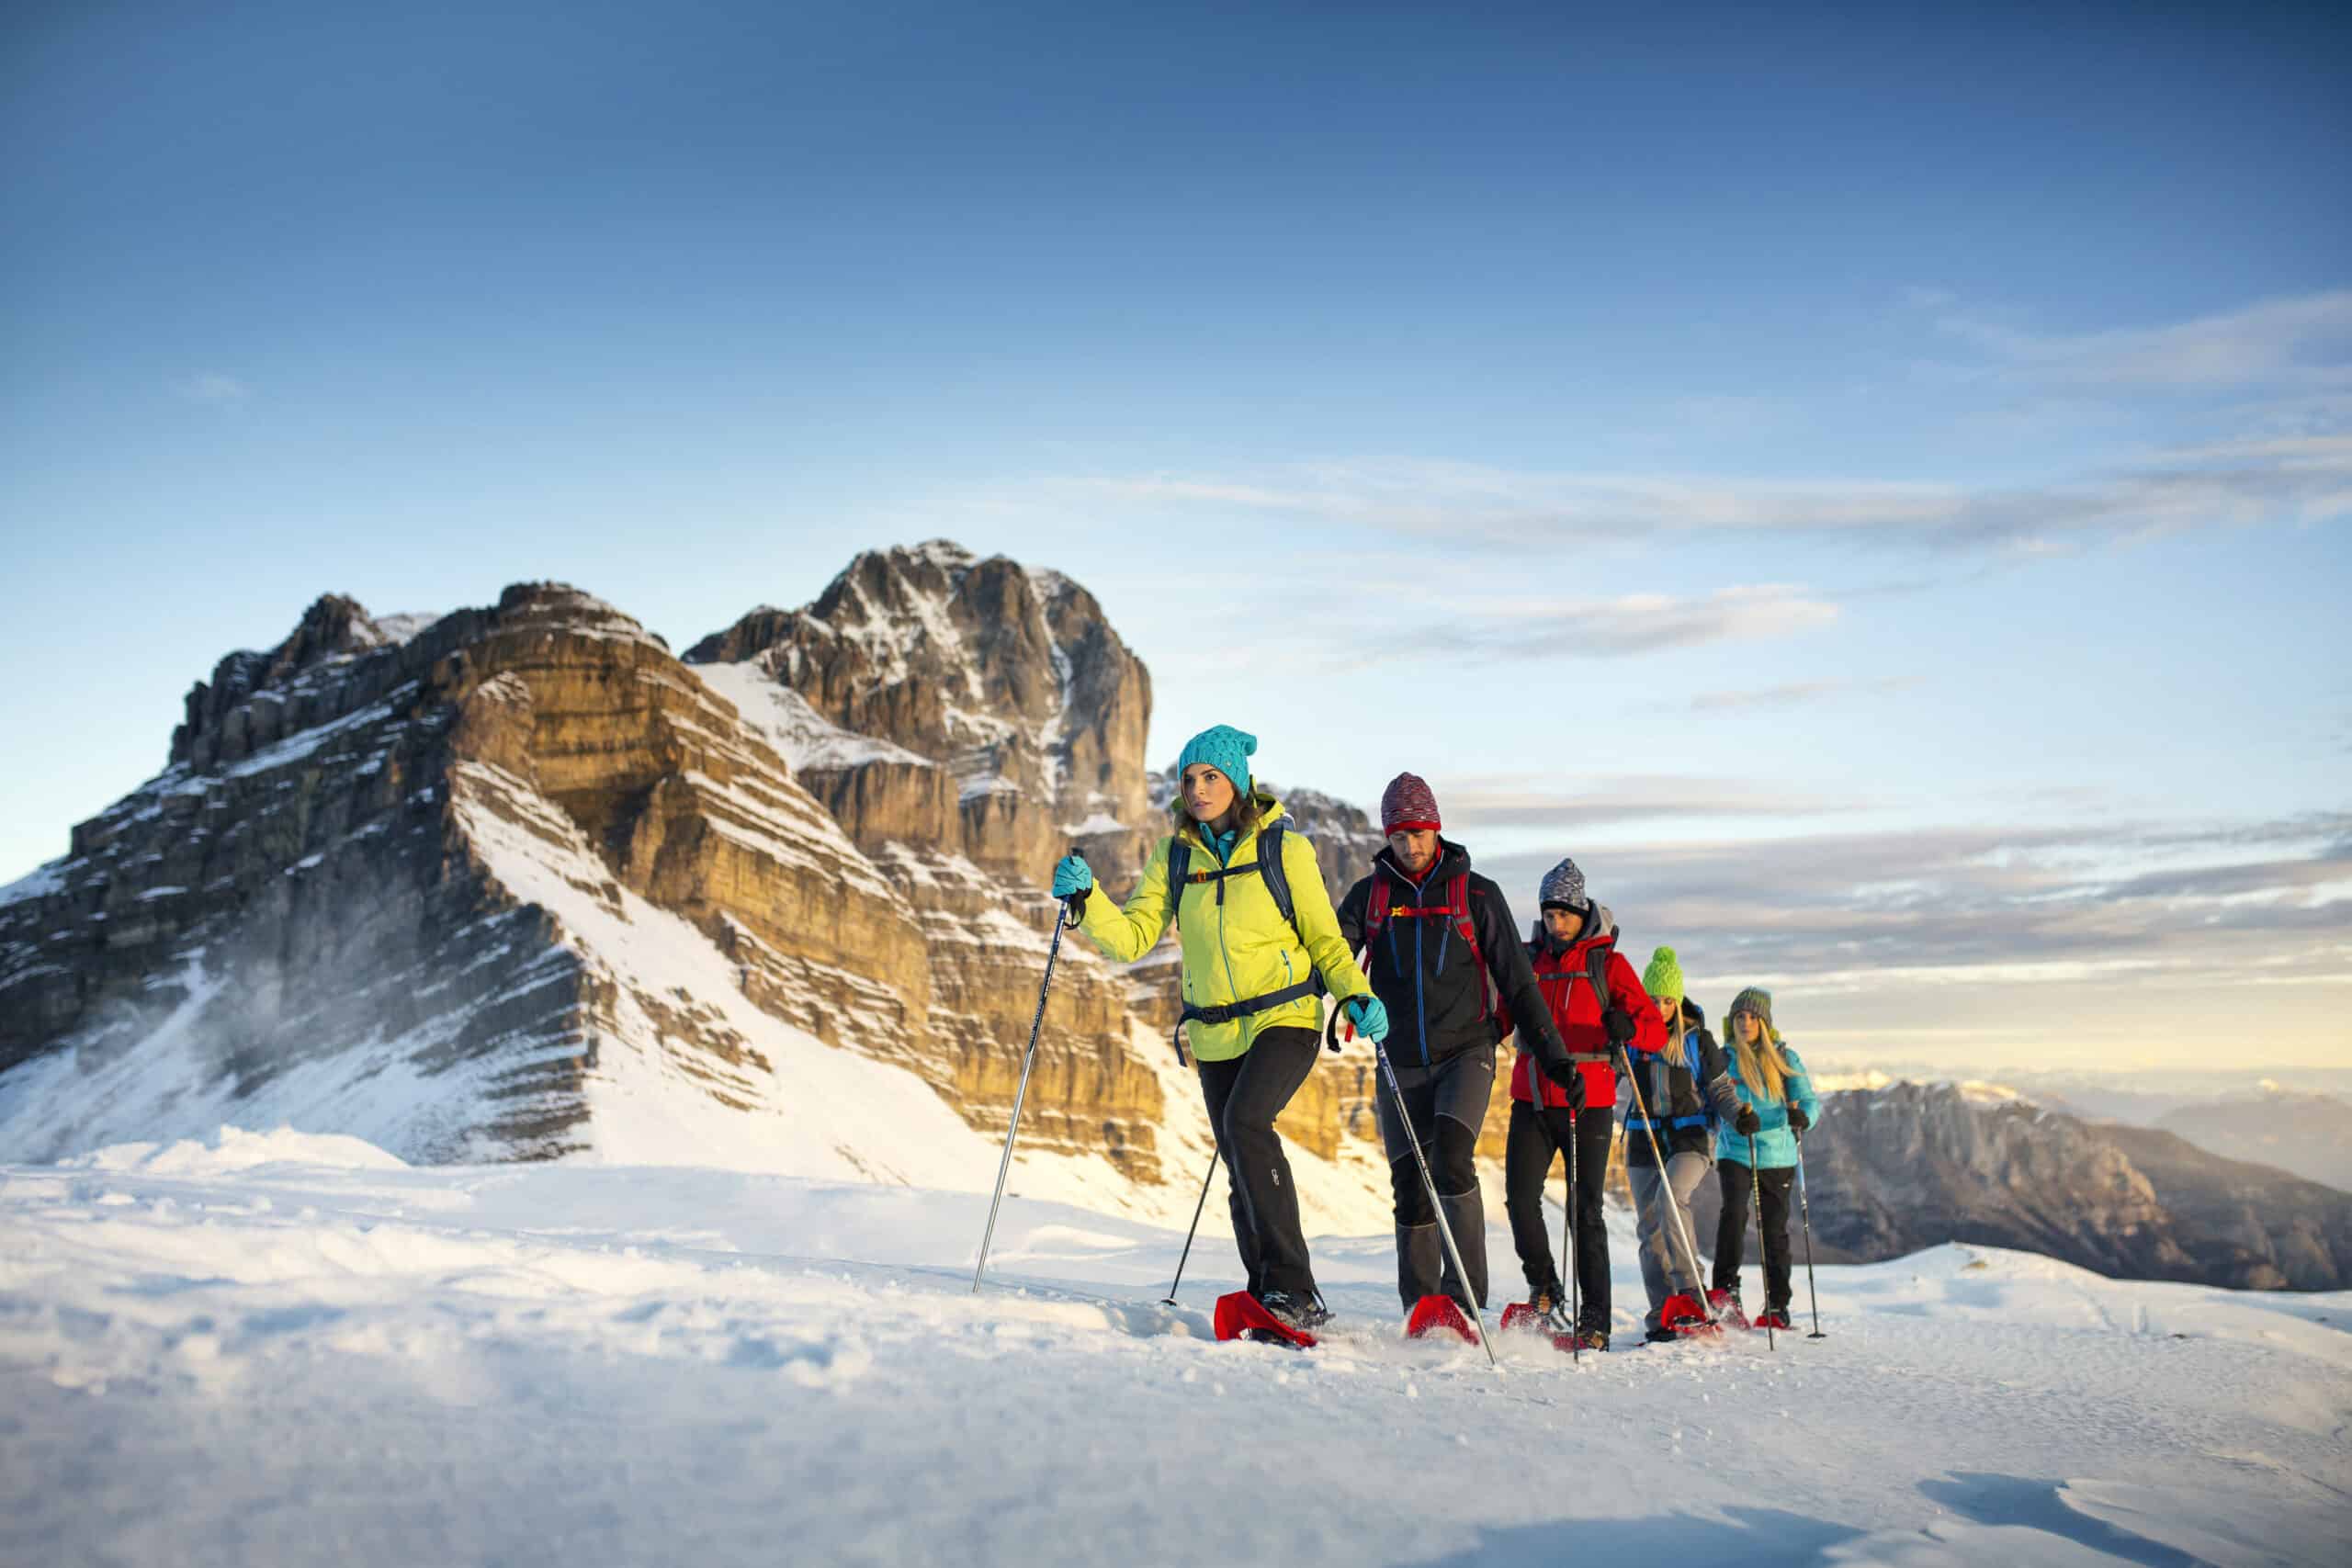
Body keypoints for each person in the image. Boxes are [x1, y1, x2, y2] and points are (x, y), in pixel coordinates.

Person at [1050, 725, 1384, 1333]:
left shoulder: (1286, 850)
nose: (1198, 789)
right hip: (1214, 1032)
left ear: (1237, 781)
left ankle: (1294, 1288)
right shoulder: (1176, 856)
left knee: (1246, 1122)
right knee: (1239, 1155)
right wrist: (1088, 898)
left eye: (1210, 777)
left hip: (1286, 1017)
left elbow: (1326, 940)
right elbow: (1131, 937)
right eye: (1188, 778)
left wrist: (1357, 995)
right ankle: (1266, 1292)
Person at [1334, 773, 1577, 1321]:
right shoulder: (1369, 896)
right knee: (1408, 1182)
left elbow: (1518, 981)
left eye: (1419, 833)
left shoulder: (1477, 893)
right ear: (1388, 838)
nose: (1411, 846)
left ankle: (1463, 1303)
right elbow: (1333, 958)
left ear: (1436, 828)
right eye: (1399, 837)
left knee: (1449, 1159)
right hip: (1398, 1057)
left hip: (1466, 1052)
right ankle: (1421, 1308)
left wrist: (1555, 1055)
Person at [1502, 857, 1667, 1350]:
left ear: (1582, 912)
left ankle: (1595, 1321)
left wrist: (1628, 1027)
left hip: (1587, 1101)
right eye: (1548, 916)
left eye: (1564, 916)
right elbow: (1503, 1014)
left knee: (1586, 1211)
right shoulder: (1528, 961)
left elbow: (1655, 1032)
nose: (1555, 925)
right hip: (1530, 1095)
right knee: (1519, 1199)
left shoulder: (1607, 964)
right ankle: (1546, 1285)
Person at [1622, 947, 1742, 1342]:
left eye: (1667, 1001)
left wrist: (1739, 1115)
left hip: (1690, 1136)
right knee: (1649, 1226)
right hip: (1643, 1135)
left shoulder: (1697, 1041)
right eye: (1652, 1000)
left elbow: (1721, 1089)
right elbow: (1605, 1073)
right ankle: (1662, 1311)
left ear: (1679, 1001)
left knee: (1672, 1199)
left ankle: (1691, 1294)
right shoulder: (1632, 1038)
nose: (1659, 1008)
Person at [1711, 987, 1822, 1332]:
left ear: (1764, 1022)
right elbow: (1714, 1099)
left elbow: (1808, 1100)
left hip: (1777, 1152)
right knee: (1733, 1214)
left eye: (1752, 1017)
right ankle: (1725, 1293)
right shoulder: (1723, 1057)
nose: (1745, 1023)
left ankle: (1778, 1305)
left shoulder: (1786, 1057)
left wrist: (1803, 1117)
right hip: (1736, 1148)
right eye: (1740, 1017)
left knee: (1773, 1228)